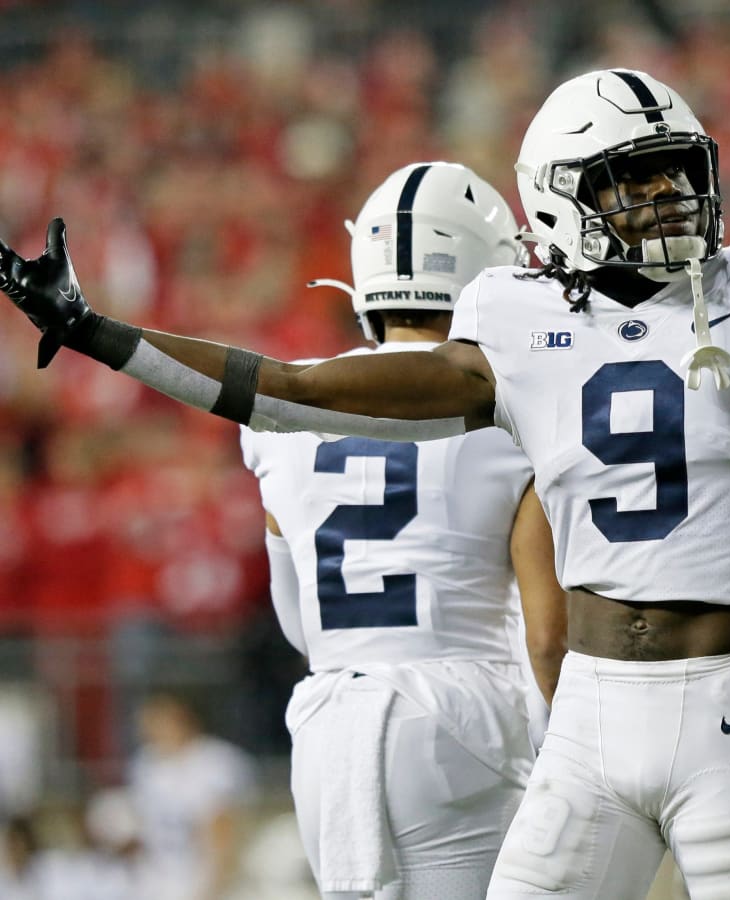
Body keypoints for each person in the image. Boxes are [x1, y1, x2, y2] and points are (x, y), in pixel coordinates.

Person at [0, 54, 730, 898]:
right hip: (586, 722)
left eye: (675, 168)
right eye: (631, 179)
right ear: (560, 203)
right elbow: (295, 385)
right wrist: (106, 334)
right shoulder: (513, 323)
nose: (669, 196)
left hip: (728, 701)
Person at [239, 162, 566, 898]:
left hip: (329, 725)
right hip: (463, 717)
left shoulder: (279, 420)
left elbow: (299, 622)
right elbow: (550, 635)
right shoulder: (509, 412)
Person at [127, 690, 256, 900]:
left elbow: (223, 833)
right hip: (155, 881)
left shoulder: (216, 762)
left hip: (201, 879)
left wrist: (210, 890)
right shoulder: (145, 764)